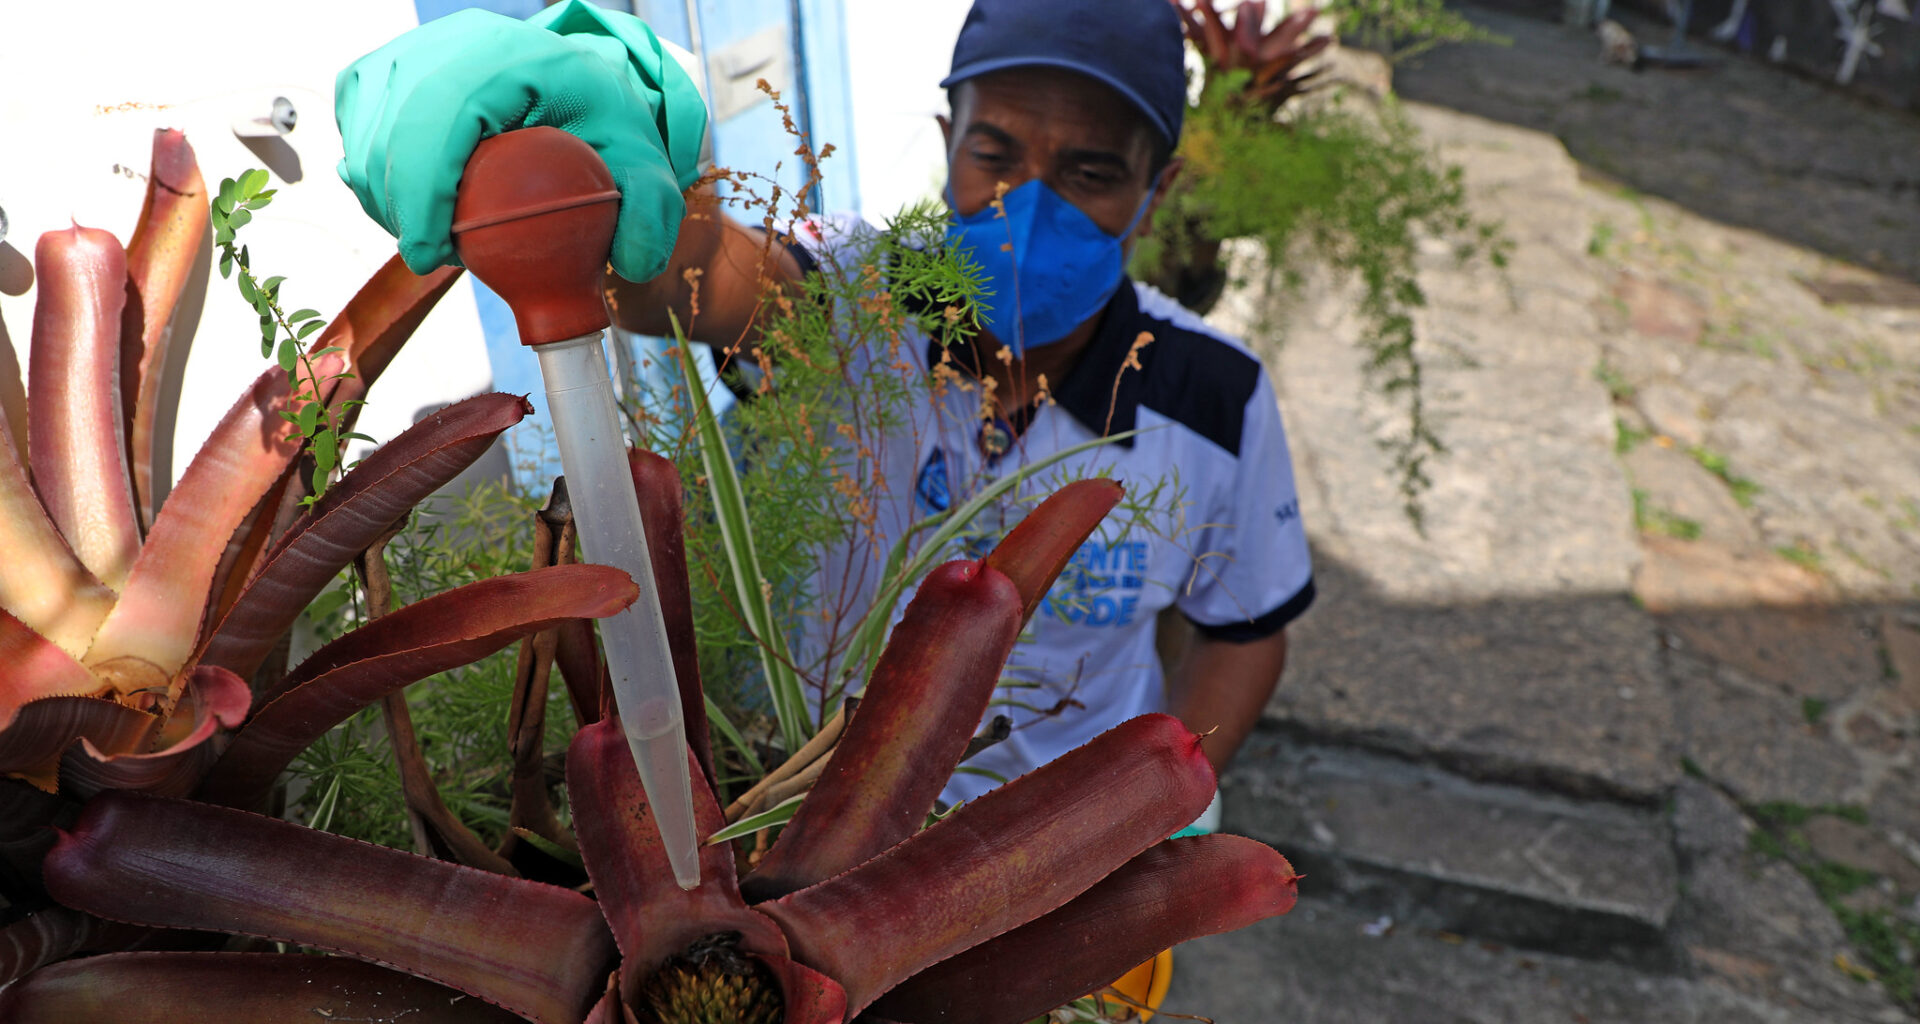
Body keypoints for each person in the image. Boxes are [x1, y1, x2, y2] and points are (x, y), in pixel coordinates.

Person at [336, 0, 1314, 819]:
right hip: (816, 811)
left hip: (1051, 840)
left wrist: (1168, 792)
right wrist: (614, 176)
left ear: (1159, 190)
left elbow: (1245, 626)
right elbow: (701, 282)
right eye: (995, 153)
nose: (1028, 204)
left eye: (1090, 173)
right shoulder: (859, 292)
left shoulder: (1215, 400)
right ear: (948, 146)